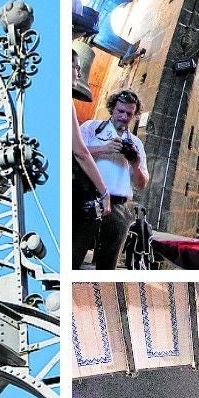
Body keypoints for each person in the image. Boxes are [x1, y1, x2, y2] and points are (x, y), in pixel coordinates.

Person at [74, 89, 150, 270]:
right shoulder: (92, 128)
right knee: (74, 256)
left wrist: (135, 163)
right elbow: (76, 152)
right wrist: (104, 148)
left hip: (119, 208)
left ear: (135, 115)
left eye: (129, 114)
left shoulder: (136, 144)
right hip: (88, 201)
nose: (124, 117)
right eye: (120, 111)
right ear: (112, 109)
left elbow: (142, 184)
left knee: (108, 266)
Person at [71, 49, 110, 265]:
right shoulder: (89, 124)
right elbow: (81, 151)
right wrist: (104, 192)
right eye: (76, 67)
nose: (79, 72)